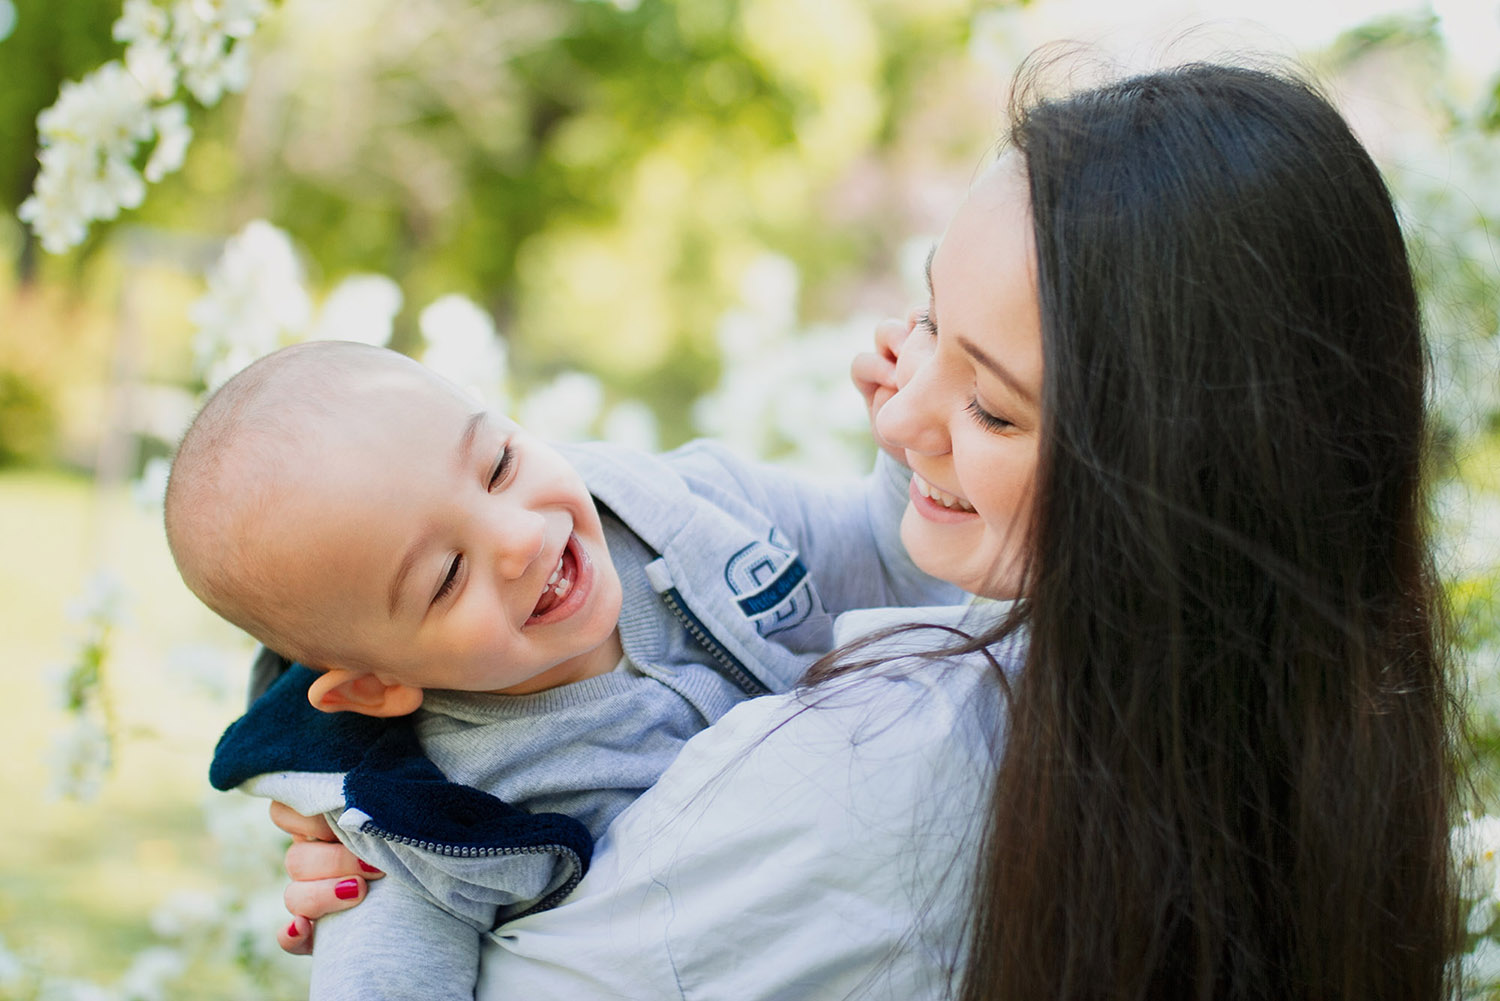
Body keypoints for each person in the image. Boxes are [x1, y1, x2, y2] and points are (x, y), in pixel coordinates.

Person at [268, 59, 1463, 1000]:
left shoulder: (868, 776)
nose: (899, 415)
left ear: (1182, 467)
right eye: (928, 321)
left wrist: (370, 871)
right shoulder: (1318, 720)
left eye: (991, 404)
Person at [164, 339, 962, 1001]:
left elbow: (889, 565)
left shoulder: (686, 507)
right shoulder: (442, 822)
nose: (517, 537)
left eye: (499, 464)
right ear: (374, 687)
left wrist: (914, 454)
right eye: (446, 576)